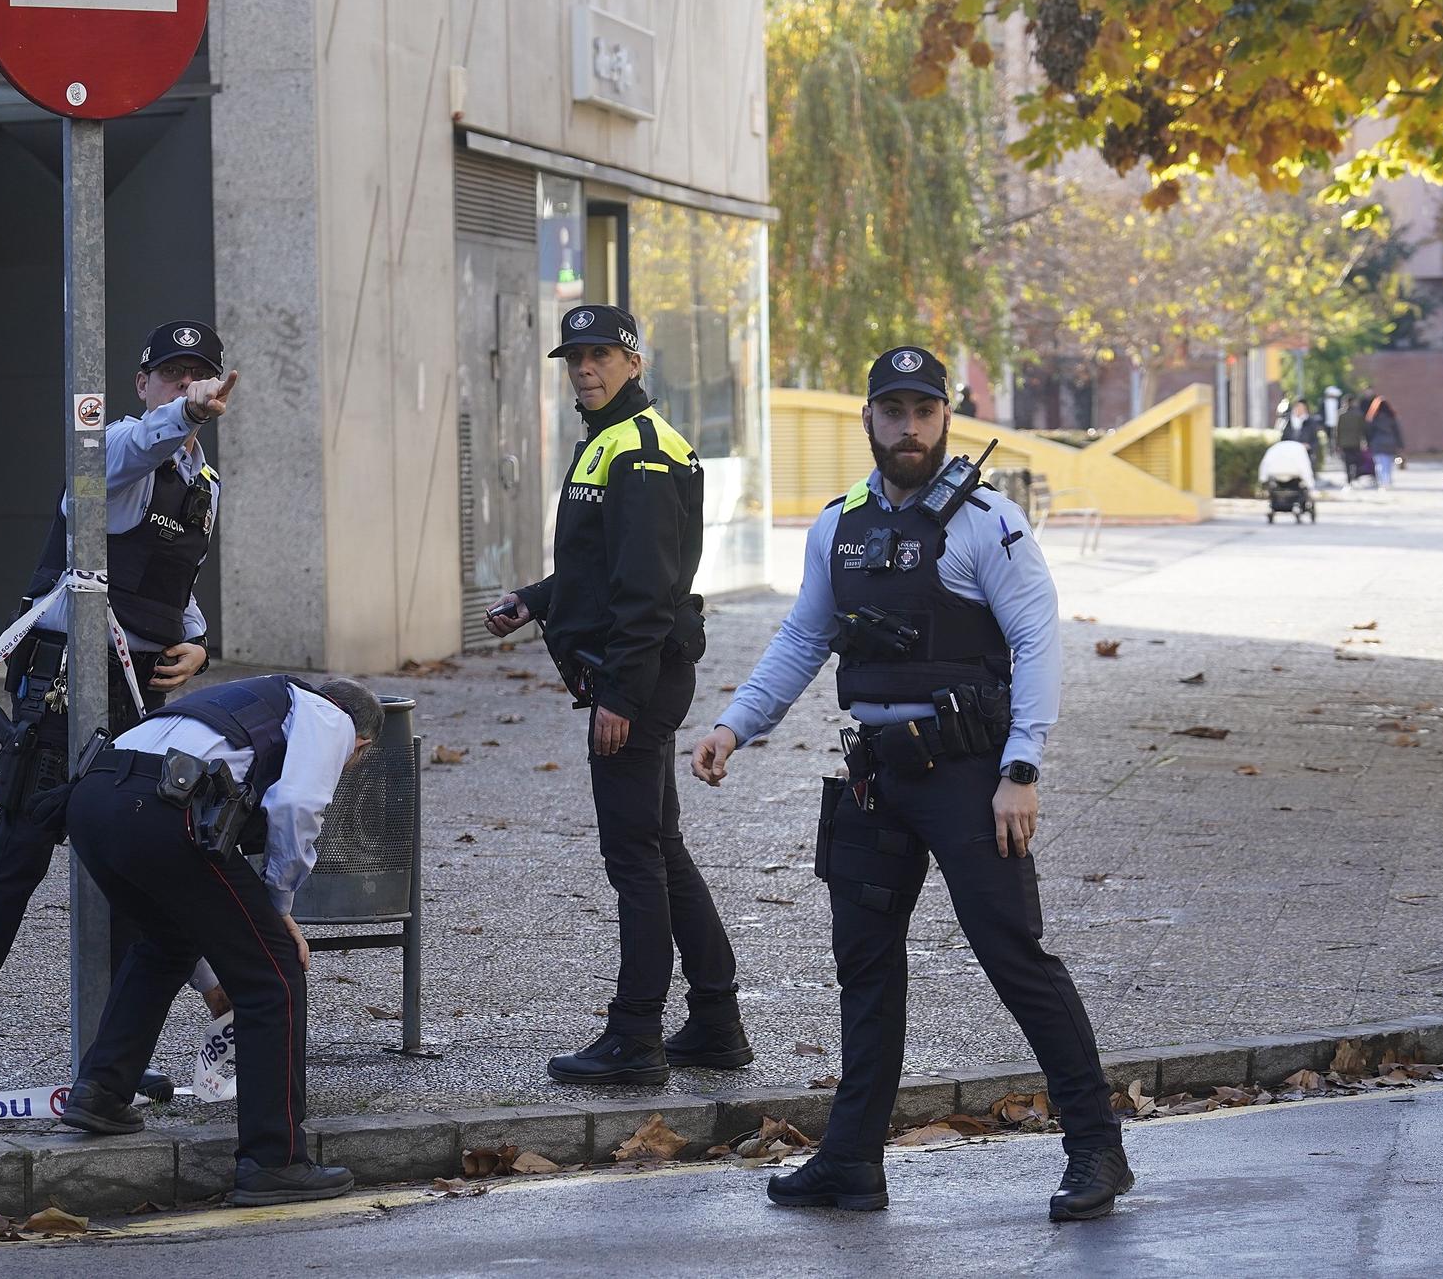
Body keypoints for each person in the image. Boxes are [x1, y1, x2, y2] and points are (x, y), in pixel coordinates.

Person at [688, 344, 1129, 1220]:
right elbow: (804, 639)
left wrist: (1022, 767)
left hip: (972, 777)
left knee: (1016, 959)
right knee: (866, 969)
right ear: (870, 421)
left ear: (945, 420)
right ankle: (852, 1162)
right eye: (894, 411)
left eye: (924, 411)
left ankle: (1097, 1149)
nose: (910, 427)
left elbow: (1039, 642)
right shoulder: (838, 524)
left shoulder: (988, 521)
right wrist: (735, 723)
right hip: (876, 776)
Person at [0, 320, 233, 1099]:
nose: (185, 384)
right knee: (15, 862)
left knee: (135, 866)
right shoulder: (114, 451)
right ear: (143, 383)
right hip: (63, 687)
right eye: (171, 374)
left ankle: (111, 1055)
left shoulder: (205, 483)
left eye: (199, 374)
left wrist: (200, 644)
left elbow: (174, 584)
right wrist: (183, 416)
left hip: (142, 700)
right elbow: (124, 455)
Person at [484, 304, 744, 1086]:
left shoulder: (641, 451)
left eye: (600, 357)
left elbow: (647, 590)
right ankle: (716, 1021)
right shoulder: (612, 442)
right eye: (575, 359)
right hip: (637, 671)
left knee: (633, 856)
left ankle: (636, 1036)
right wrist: (535, 598)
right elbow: (601, 569)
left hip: (639, 677)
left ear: (634, 362)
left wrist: (621, 697)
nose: (585, 370)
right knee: (658, 845)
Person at [55, 673, 383, 1206]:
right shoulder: (334, 719)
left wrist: (228, 955)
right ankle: (274, 1161)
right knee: (274, 977)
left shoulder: (252, 696)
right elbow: (297, 806)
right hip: (164, 808)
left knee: (165, 942)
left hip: (95, 799)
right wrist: (278, 910)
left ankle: (101, 1091)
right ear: (361, 745)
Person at [1364, 395, 1404, 489]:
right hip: (1390, 443)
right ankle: (1388, 481)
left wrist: (1368, 443)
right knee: (1388, 464)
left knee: (1379, 464)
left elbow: (1369, 432)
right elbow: (1397, 432)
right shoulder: (1392, 418)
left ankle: (1382, 483)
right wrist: (1401, 445)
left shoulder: (1373, 418)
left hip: (1377, 443)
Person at [1335, 390, 1366, 485]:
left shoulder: (1341, 414)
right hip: (1356, 441)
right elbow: (1362, 429)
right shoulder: (1359, 414)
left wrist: (1336, 443)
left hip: (1344, 442)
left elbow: (1337, 430)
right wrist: (1364, 440)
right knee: (1357, 460)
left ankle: (1349, 479)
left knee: (1347, 462)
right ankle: (1355, 476)